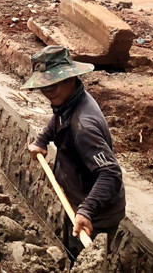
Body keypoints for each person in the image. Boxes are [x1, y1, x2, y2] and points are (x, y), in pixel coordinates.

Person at [24, 45, 125, 263]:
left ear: (71, 79)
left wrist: (87, 211)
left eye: (53, 87)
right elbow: (58, 117)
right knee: (72, 253)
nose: (49, 94)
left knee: (87, 262)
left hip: (97, 215)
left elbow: (111, 173)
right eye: (44, 88)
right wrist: (42, 139)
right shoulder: (69, 100)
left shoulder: (84, 127)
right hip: (78, 202)